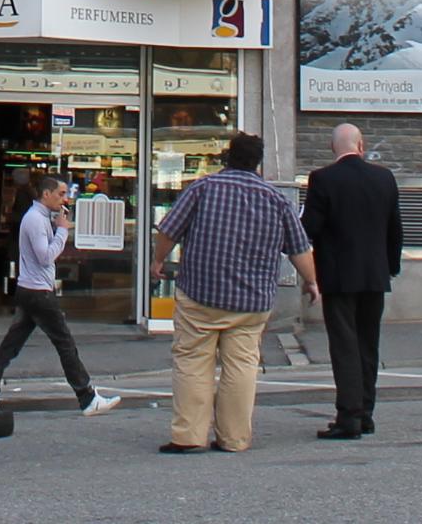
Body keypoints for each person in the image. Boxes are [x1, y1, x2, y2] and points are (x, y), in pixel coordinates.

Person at [152, 131, 317, 456]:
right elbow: (300, 248)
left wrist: (158, 260)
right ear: (258, 162)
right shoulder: (276, 200)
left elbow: (169, 230)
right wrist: (311, 281)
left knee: (192, 361)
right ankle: (234, 438)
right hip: (251, 302)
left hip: (200, 294)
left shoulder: (201, 188)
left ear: (228, 156)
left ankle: (189, 436)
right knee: (241, 365)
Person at [0, 173, 120, 417]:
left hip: (31, 289)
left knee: (11, 346)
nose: (65, 199)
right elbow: (45, 257)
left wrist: (57, 228)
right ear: (46, 194)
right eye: (61, 194)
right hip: (38, 292)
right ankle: (87, 397)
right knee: (65, 343)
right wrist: (62, 231)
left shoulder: (39, 218)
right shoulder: (34, 219)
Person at [301, 123, 405, 440]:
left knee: (344, 346)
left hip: (338, 276)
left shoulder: (322, 179)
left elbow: (309, 228)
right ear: (362, 145)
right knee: (367, 345)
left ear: (332, 147)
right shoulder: (384, 178)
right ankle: (366, 413)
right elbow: (395, 228)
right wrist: (391, 267)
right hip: (375, 275)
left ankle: (349, 417)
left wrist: (307, 271)